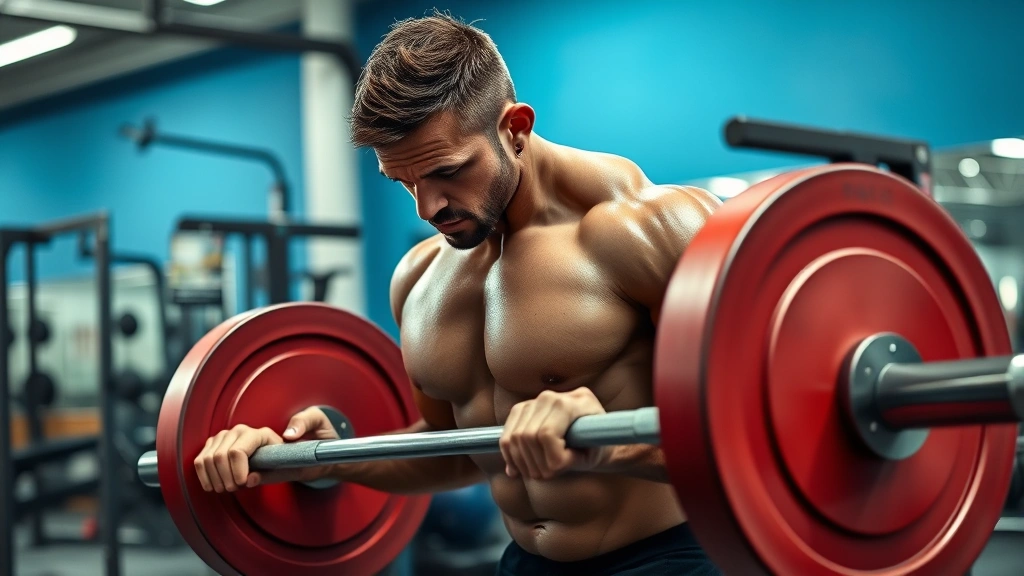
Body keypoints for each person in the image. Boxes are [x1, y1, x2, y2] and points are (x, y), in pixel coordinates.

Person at [193, 11, 722, 576]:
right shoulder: (420, 277)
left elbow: (750, 438)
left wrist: (607, 444)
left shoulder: (649, 229)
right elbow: (454, 455)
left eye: (447, 172)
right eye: (405, 183)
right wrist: (322, 458)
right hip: (522, 563)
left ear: (515, 128)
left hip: (672, 559)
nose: (427, 208)